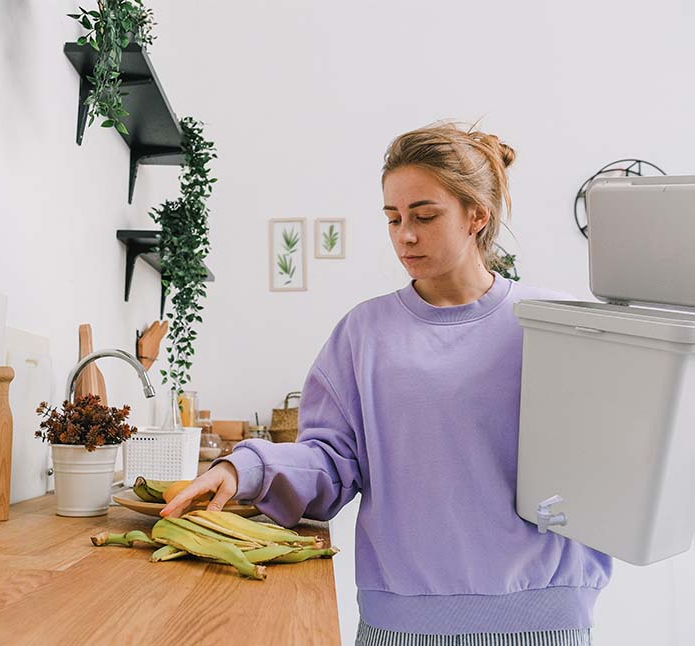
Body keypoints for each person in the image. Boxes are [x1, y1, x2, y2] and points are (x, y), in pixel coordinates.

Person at [161, 120, 613, 646]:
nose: (405, 234)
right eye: (393, 218)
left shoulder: (550, 321)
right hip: (402, 625)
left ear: (476, 216)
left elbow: (607, 455)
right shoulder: (364, 332)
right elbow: (331, 459)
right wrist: (247, 469)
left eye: (424, 216)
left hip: (544, 617)